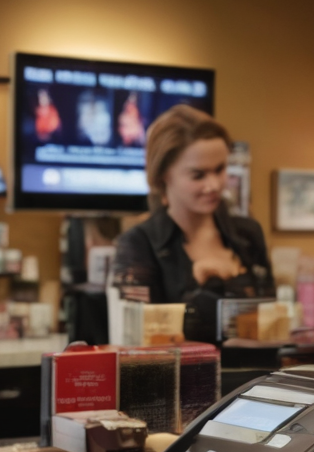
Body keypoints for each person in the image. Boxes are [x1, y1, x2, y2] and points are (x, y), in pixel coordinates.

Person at [111, 105, 274, 335]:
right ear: (164, 176)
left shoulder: (248, 233)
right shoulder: (138, 244)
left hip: (263, 370)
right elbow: (137, 341)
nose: (214, 185)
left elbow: (271, 322)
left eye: (220, 169)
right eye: (198, 175)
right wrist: (195, 289)